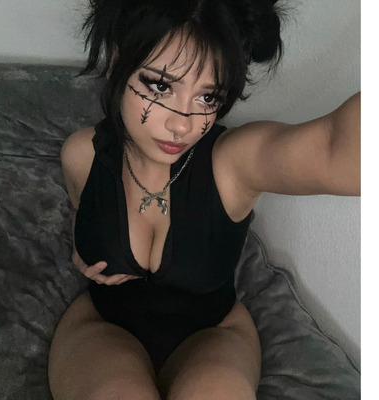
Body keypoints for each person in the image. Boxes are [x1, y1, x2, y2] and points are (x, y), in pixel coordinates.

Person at [48, 0, 360, 399]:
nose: (182, 124)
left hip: (213, 336)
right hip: (103, 327)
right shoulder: (82, 155)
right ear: (115, 59)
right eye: (160, 86)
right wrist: (84, 252)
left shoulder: (233, 164)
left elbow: (338, 151)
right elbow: (83, 216)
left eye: (208, 98)